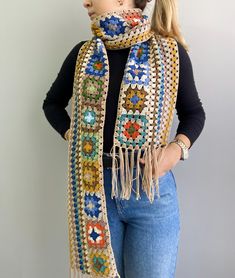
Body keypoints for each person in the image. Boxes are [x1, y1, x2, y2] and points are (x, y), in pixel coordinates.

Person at [42, 0, 206, 277]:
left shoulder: (168, 53)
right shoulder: (83, 55)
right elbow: (52, 104)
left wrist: (175, 150)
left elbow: (193, 114)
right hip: (96, 190)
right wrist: (75, 135)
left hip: (150, 190)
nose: (86, 2)